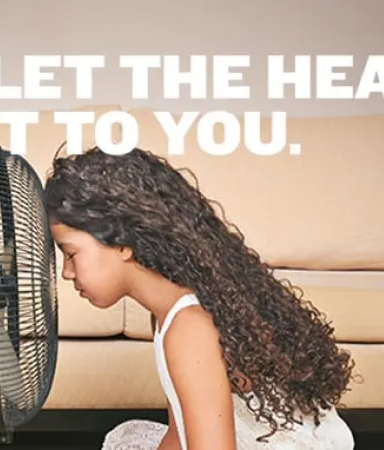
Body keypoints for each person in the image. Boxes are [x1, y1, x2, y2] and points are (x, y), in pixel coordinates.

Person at [43, 146, 357, 450]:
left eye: (71, 253)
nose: (67, 273)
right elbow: (181, 436)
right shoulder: (168, 314)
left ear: (122, 242)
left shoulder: (189, 328)